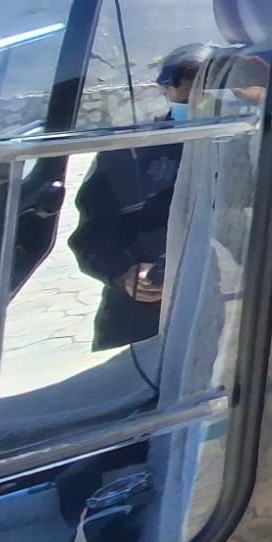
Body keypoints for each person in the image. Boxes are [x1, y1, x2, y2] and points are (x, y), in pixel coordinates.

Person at [69, 43, 212, 350]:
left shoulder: (252, 144)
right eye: (187, 100)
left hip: (219, 308)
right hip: (140, 320)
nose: (198, 108)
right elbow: (91, 236)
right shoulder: (129, 152)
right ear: (167, 93)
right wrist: (123, 273)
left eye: (209, 98)